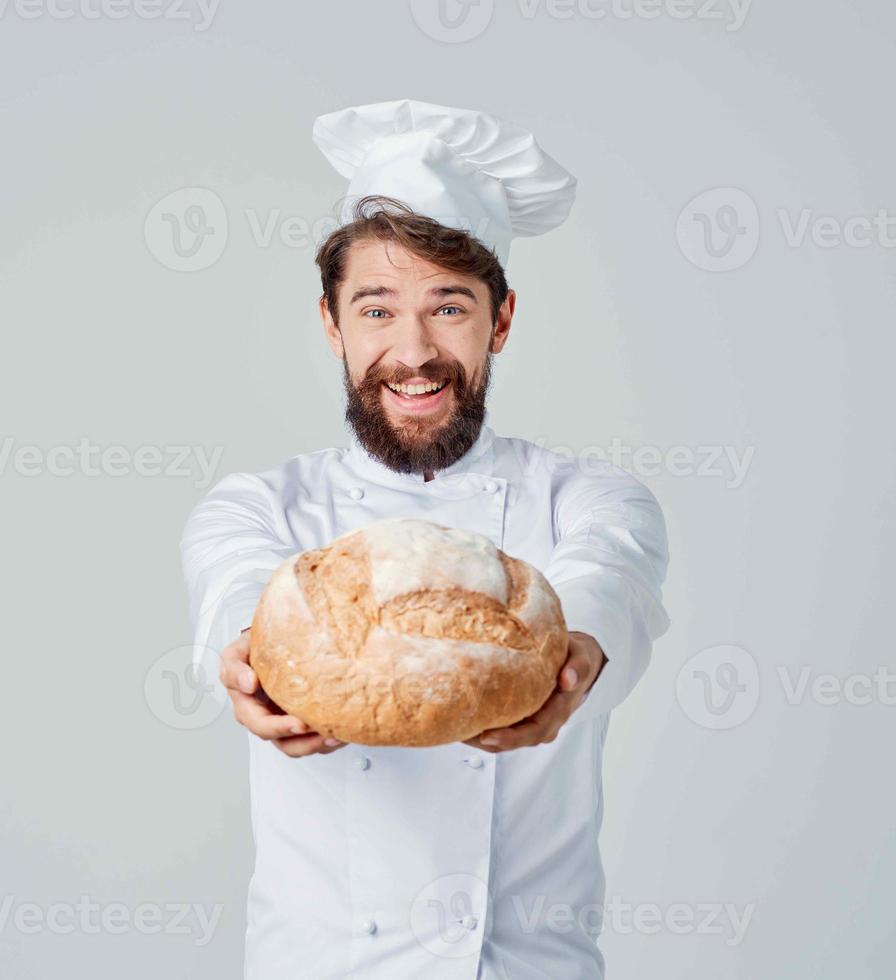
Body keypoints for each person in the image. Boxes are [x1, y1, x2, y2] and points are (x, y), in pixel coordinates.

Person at [179, 99, 671, 980]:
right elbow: (238, 595)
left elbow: (610, 585)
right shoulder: (257, 508)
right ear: (331, 325)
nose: (413, 352)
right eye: (376, 311)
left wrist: (574, 658)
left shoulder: (587, 498)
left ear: (502, 321)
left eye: (448, 308)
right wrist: (248, 660)